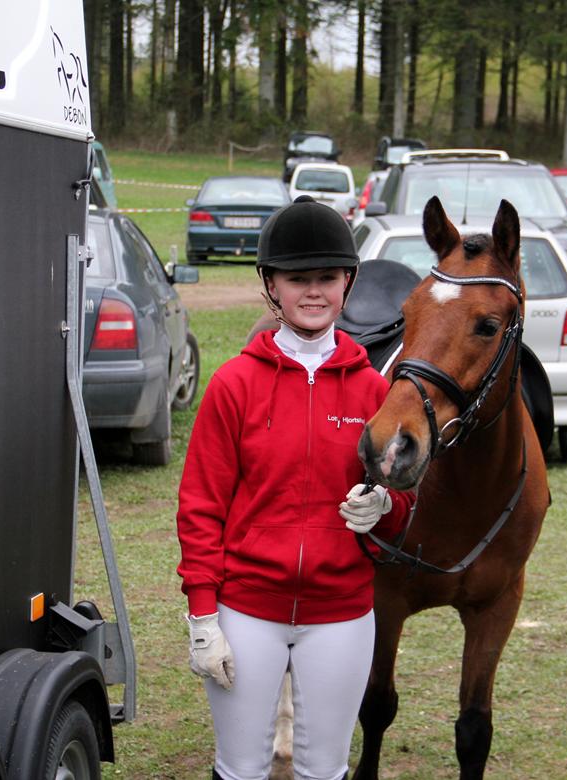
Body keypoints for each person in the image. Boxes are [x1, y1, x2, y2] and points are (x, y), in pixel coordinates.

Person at [175, 195, 413, 780]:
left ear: (347, 283)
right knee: (240, 767)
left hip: (341, 613)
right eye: (297, 278)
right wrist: (203, 616)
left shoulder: (372, 392)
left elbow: (406, 503)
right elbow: (201, 505)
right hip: (246, 608)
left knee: (324, 768)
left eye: (326, 278)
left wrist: (385, 506)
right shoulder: (234, 385)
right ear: (271, 285)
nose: (313, 292)